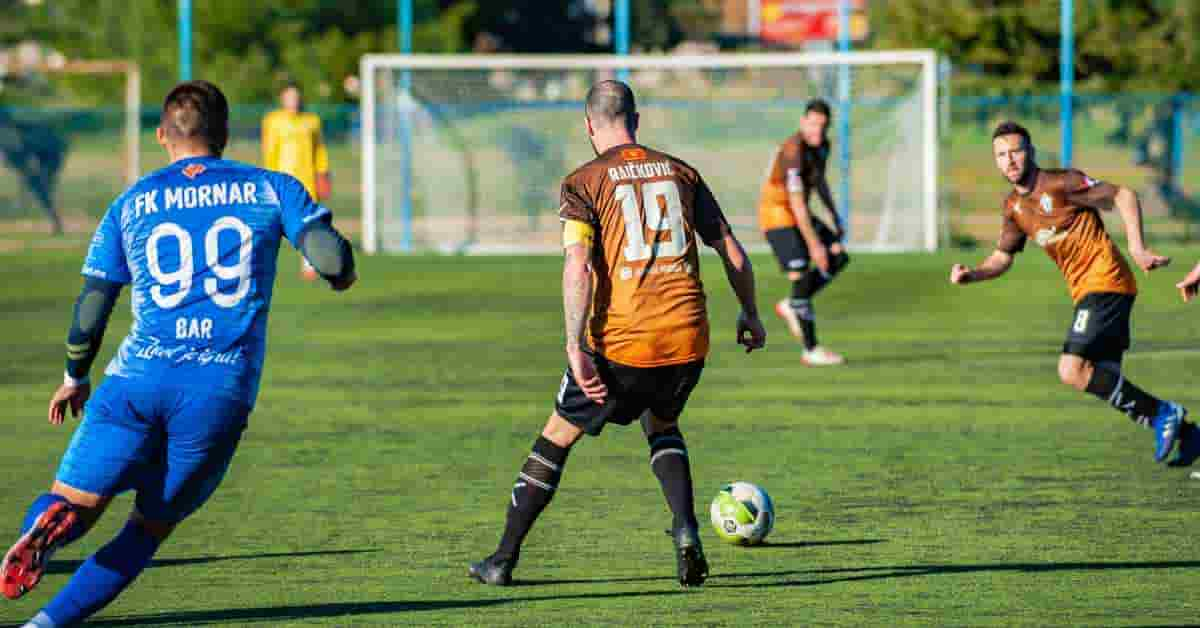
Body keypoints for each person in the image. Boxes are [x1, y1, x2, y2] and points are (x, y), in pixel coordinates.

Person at [2, 80, 356, 628]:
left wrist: (75, 374)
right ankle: (43, 626)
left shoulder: (132, 202)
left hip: (134, 380)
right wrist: (341, 271)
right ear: (224, 133)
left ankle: (50, 525)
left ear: (163, 135)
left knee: (74, 502)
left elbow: (94, 303)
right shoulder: (270, 188)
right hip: (215, 392)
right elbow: (331, 260)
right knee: (144, 530)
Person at [468, 80, 766, 588]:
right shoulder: (681, 172)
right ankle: (686, 529)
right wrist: (751, 313)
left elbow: (578, 266)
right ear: (636, 119)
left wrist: (574, 347)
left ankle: (502, 559)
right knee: (662, 424)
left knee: (556, 436)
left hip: (622, 342)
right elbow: (731, 249)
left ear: (589, 125)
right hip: (688, 336)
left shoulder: (583, 182)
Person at [949, 120, 1192, 466]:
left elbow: (1123, 195)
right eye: (1001, 155)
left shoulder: (1061, 183)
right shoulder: (1013, 208)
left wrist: (1138, 249)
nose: (1010, 160)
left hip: (1105, 280)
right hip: (1087, 292)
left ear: (1030, 152)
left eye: (1015, 151)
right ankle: (1190, 435)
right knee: (1102, 378)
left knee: (1070, 369)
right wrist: (972, 275)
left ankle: (1164, 414)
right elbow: (1002, 257)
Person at [758, 99, 849, 366]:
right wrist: (815, 246)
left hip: (799, 214)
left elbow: (819, 181)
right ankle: (811, 349)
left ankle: (792, 303)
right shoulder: (792, 151)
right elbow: (797, 204)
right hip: (778, 216)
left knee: (839, 256)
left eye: (822, 125)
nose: (817, 131)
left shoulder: (822, 146)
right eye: (812, 124)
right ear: (802, 122)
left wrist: (833, 214)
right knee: (802, 273)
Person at [262, 82, 332, 280]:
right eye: (289, 97)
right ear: (282, 99)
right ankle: (265, 264)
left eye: (296, 96)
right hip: (281, 180)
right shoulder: (272, 121)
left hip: (307, 180)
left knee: (309, 222)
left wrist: (323, 172)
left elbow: (319, 149)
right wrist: (269, 177)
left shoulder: (312, 121)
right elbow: (269, 150)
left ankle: (309, 264)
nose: (294, 100)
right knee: (274, 225)